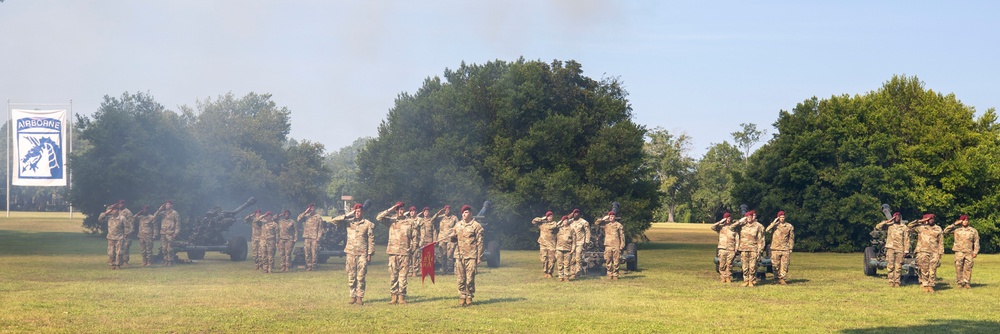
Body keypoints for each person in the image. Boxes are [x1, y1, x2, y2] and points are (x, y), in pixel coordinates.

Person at [330, 203, 376, 305]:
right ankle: (352, 296)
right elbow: (333, 221)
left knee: (361, 276)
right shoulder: (348, 222)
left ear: (362, 212)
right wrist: (348, 214)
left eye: (359, 211)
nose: (358, 213)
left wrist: (370, 253)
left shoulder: (367, 224)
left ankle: (359, 297)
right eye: (356, 211)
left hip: (362, 253)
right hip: (350, 252)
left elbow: (371, 239)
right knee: (351, 275)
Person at [439, 205, 483, 306]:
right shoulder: (458, 225)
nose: (464, 214)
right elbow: (453, 239)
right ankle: (462, 296)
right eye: (463, 213)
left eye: (466, 212)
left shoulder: (476, 226)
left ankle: (469, 297)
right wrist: (452, 237)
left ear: (470, 213)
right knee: (460, 278)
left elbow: (480, 243)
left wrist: (479, 257)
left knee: (470, 277)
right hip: (459, 255)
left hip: (471, 255)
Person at [376, 202, 417, 305]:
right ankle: (394, 296)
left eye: (401, 209)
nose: (400, 211)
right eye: (398, 209)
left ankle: (401, 297)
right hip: (393, 253)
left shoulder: (409, 222)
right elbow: (378, 217)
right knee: (394, 276)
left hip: (405, 253)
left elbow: (415, 238)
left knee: (403, 276)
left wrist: (411, 250)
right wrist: (391, 208)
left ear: (404, 210)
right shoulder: (391, 221)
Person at [908, 214, 944, 293]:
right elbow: (909, 226)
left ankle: (931, 285)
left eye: (932, 219)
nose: (931, 220)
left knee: (933, 269)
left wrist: (940, 252)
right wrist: (921, 221)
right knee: (924, 269)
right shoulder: (920, 228)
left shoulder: (938, 228)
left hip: (934, 252)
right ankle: (925, 284)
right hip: (922, 251)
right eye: (929, 219)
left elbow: (940, 241)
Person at [942, 215, 979, 289]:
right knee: (958, 268)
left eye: (966, 220)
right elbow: (945, 231)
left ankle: (966, 283)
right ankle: (959, 282)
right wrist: (954, 224)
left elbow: (976, 241)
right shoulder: (957, 230)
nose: (965, 221)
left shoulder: (973, 231)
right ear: (961, 221)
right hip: (959, 252)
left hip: (969, 252)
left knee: (968, 268)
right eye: (963, 220)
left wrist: (975, 251)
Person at [874, 212, 909, 287]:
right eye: (895, 217)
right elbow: (878, 227)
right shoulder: (889, 226)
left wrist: (906, 250)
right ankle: (891, 281)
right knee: (890, 265)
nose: (897, 218)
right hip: (890, 248)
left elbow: (906, 239)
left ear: (900, 217)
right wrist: (889, 220)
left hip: (900, 248)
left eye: (898, 216)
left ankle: (897, 282)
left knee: (898, 266)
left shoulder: (904, 227)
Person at [733, 210, 765, 287]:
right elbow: (731, 228)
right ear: (745, 218)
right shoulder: (742, 225)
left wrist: (760, 250)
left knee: (752, 266)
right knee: (744, 266)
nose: (749, 218)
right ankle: (746, 280)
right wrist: (740, 221)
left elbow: (760, 239)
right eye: (747, 217)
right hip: (743, 249)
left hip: (753, 249)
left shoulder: (757, 226)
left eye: (750, 217)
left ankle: (751, 280)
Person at [765, 211, 794, 285]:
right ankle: (776, 278)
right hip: (775, 248)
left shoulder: (789, 226)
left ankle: (782, 278)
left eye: (783, 217)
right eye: (780, 217)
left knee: (785, 264)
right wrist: (774, 222)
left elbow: (791, 238)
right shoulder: (775, 226)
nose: (782, 219)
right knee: (775, 265)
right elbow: (767, 230)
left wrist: (791, 247)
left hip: (785, 248)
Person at [594, 211, 625, 280]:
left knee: (616, 260)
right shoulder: (606, 225)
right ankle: (609, 274)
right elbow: (596, 223)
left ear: (615, 217)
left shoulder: (618, 225)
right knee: (608, 260)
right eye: (610, 216)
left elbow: (622, 236)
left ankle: (615, 274)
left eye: (612, 216)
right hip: (608, 245)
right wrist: (603, 219)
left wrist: (622, 244)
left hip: (616, 244)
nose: (611, 217)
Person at [710, 212, 738, 283]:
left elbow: (737, 238)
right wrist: (720, 222)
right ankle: (723, 277)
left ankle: (728, 277)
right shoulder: (720, 227)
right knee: (722, 264)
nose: (728, 220)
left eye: (729, 218)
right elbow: (712, 227)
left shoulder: (733, 227)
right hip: (722, 248)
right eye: (726, 218)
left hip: (731, 248)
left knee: (729, 264)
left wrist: (736, 247)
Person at [531, 211, 559, 278]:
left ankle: (550, 272)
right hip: (543, 244)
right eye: (548, 216)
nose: (550, 218)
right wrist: (542, 219)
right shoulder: (542, 223)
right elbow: (533, 221)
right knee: (544, 259)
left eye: (551, 216)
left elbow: (555, 228)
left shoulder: (554, 223)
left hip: (551, 244)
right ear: (546, 217)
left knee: (552, 259)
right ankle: (545, 272)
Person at [297, 204, 324, 271]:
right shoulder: (306, 216)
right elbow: (298, 219)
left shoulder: (318, 217)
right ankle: (309, 266)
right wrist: (305, 212)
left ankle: (314, 266)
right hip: (307, 237)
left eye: (312, 207)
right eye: (310, 208)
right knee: (307, 253)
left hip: (314, 237)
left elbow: (320, 228)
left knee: (314, 253)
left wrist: (318, 237)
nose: (311, 209)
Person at [99, 205, 127, 270]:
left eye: (116, 209)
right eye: (113, 210)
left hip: (119, 237)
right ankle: (112, 264)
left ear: (118, 211)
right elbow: (100, 219)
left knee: (119, 252)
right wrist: (106, 213)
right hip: (111, 237)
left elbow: (127, 227)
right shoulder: (109, 217)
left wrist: (126, 235)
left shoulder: (122, 218)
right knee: (111, 252)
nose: (114, 211)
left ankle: (118, 265)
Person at [433, 205, 459, 273]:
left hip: (450, 239)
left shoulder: (454, 218)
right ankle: (443, 268)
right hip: (442, 239)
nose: (447, 211)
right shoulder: (441, 217)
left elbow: (458, 227)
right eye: (445, 210)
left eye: (448, 210)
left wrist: (454, 235)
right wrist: (438, 213)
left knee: (449, 255)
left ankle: (449, 269)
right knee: (443, 254)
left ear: (450, 210)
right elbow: (431, 220)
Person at [155, 200, 180, 266]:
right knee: (164, 248)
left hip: (170, 233)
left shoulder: (175, 213)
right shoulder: (163, 213)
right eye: (166, 204)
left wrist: (176, 233)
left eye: (168, 204)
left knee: (170, 248)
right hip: (163, 232)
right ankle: (165, 260)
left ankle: (170, 261)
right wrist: (159, 209)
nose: (167, 205)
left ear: (171, 205)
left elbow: (177, 223)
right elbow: (154, 217)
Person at [413, 207, 437, 277]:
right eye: (424, 212)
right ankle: (421, 270)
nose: (426, 213)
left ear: (429, 212)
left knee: (429, 257)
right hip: (422, 241)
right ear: (423, 213)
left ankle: (429, 271)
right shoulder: (420, 220)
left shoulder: (431, 221)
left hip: (429, 241)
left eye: (427, 211)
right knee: (421, 256)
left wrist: (435, 240)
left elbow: (434, 231)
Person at [568, 209, 591, 278]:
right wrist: (569, 216)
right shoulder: (570, 221)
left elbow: (587, 232)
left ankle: (578, 272)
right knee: (572, 258)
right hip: (571, 242)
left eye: (577, 213)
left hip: (580, 242)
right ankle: (573, 273)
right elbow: (562, 222)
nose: (576, 214)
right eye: (575, 213)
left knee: (578, 258)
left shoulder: (583, 222)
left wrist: (586, 242)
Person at [554, 215, 575, 282]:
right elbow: (555, 226)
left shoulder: (571, 229)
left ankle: (566, 276)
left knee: (567, 264)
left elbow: (574, 240)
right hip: (559, 248)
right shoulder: (558, 228)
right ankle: (560, 276)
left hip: (568, 249)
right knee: (559, 263)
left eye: (566, 220)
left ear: (568, 221)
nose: (565, 221)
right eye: (564, 220)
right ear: (562, 221)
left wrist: (573, 248)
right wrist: (560, 221)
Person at [116, 200, 134, 266]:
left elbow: (131, 222)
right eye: (119, 203)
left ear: (124, 204)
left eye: (122, 203)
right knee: (119, 247)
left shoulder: (128, 212)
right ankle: (118, 260)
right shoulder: (117, 211)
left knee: (126, 247)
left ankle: (125, 260)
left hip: (126, 232)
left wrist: (129, 231)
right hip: (118, 232)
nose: (120, 205)